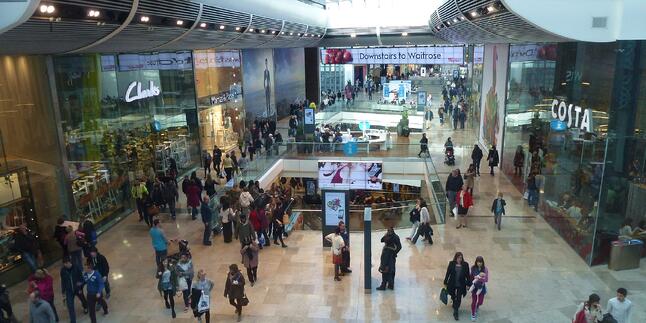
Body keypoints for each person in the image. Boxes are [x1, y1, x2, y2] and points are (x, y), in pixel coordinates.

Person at [444, 252, 471, 320]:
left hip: (461, 284)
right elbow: (448, 273)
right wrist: (445, 281)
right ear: (456, 258)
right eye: (458, 258)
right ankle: (454, 302)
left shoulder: (465, 265)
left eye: (461, 258)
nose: (460, 259)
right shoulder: (451, 264)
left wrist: (468, 284)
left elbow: (468, 275)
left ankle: (456, 311)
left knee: (459, 298)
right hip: (452, 283)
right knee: (453, 295)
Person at [60, 257, 87, 323]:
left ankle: (85, 307)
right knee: (70, 305)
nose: (66, 265)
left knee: (82, 299)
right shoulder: (63, 271)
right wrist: (63, 291)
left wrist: (80, 287)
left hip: (77, 289)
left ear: (70, 262)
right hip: (69, 291)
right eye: (64, 264)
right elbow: (63, 281)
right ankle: (73, 320)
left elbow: (82, 279)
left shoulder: (76, 267)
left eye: (67, 263)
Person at [469, 256, 489, 321]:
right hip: (474, 287)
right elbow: (471, 277)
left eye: (480, 262)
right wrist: (471, 282)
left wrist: (479, 278)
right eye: (478, 262)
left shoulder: (485, 269)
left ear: (482, 262)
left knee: (480, 302)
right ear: (476, 262)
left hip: (481, 287)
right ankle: (473, 314)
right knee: (474, 301)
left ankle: (477, 306)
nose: (479, 263)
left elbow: (486, 279)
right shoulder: (473, 268)